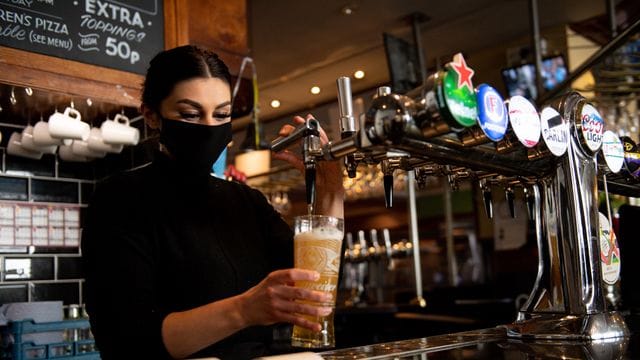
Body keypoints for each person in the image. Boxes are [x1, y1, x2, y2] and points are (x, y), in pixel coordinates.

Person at [81, 45, 344, 359]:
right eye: (190, 114)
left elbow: (314, 292)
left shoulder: (248, 203)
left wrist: (331, 187)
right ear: (152, 115)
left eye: (221, 114)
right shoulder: (120, 200)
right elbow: (126, 340)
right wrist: (243, 310)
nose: (209, 127)